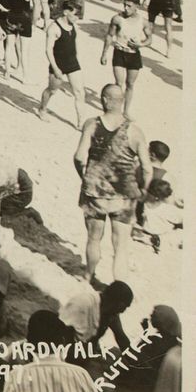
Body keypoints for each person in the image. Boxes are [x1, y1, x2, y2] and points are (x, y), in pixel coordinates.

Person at [74, 84, 151, 283]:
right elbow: (147, 168)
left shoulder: (92, 124)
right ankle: (119, 285)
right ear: (122, 101)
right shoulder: (135, 131)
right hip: (124, 196)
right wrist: (143, 189)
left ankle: (88, 275)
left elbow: (80, 157)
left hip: (95, 192)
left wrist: (84, 177)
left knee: (93, 238)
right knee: (121, 247)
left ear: (104, 99)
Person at [0, 310, 95, 392]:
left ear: (28, 345)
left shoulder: (16, 377)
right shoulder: (80, 374)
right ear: (62, 341)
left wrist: (6, 355)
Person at [38, 0, 85, 127]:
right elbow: (48, 50)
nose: (77, 17)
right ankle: (42, 109)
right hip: (58, 64)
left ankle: (81, 122)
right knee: (52, 90)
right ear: (66, 12)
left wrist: (76, 58)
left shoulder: (72, 25)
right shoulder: (54, 28)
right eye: (75, 14)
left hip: (72, 63)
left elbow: (72, 43)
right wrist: (56, 68)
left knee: (80, 92)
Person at [101, 0, 150, 117]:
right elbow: (109, 36)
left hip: (134, 54)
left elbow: (150, 39)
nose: (126, 8)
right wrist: (104, 53)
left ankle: (126, 111)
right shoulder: (117, 19)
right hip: (119, 52)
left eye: (129, 6)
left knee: (130, 84)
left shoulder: (143, 22)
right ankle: (116, 109)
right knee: (119, 84)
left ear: (136, 7)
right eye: (124, 5)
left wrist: (141, 45)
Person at [60, 279, 133, 351]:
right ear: (115, 302)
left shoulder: (111, 313)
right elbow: (60, 331)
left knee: (115, 354)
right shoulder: (83, 303)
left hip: (86, 353)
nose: (123, 311)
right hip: (67, 351)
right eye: (123, 307)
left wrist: (135, 359)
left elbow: (121, 338)